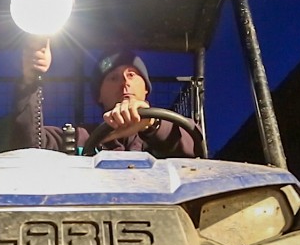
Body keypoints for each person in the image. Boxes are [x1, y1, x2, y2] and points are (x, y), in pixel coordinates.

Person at [11, 38, 202, 157]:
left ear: (146, 89)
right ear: (99, 96)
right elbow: (28, 145)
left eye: (132, 75)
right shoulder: (80, 137)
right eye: (113, 77)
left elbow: (197, 147)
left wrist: (152, 125)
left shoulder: (174, 131)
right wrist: (29, 81)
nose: (124, 83)